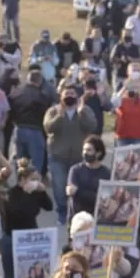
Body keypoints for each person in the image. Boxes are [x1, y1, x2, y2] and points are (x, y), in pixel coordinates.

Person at [44, 89, 99, 225]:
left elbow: (92, 126)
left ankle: (77, 213)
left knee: (77, 187)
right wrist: (59, 116)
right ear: (61, 97)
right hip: (58, 156)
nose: (69, 96)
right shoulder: (53, 111)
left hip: (79, 156)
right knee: (59, 185)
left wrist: (81, 113)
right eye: (66, 94)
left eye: (72, 94)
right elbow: (48, 128)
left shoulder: (85, 110)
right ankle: (62, 212)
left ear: (77, 97)